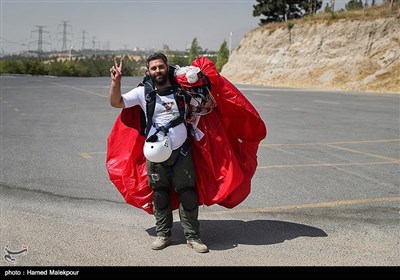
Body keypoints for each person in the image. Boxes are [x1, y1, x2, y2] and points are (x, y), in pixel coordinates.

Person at [108, 52, 209, 253]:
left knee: (188, 194)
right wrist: (116, 81)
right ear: (149, 71)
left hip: (182, 151)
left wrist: (197, 83)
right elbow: (116, 102)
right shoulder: (142, 93)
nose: (157, 71)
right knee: (160, 195)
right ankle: (164, 235)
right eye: (153, 68)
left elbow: (207, 104)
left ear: (167, 67)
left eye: (160, 67)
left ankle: (193, 237)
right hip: (155, 153)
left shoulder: (182, 90)